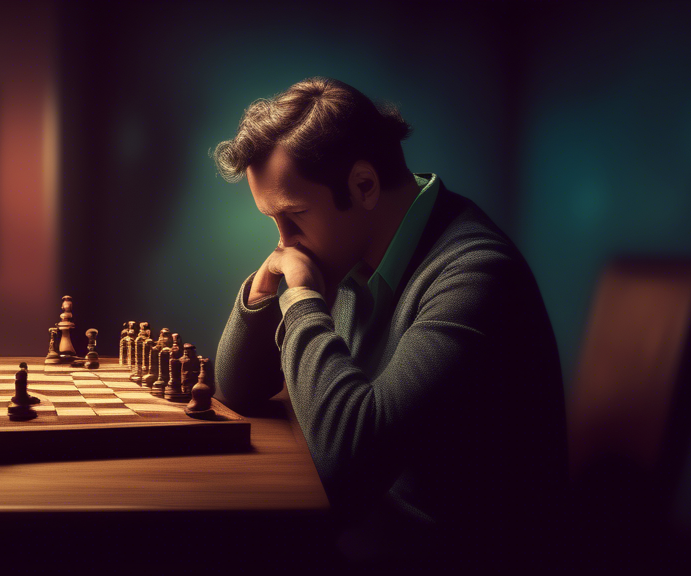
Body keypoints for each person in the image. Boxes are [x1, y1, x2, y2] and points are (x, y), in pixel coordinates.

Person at [211, 78, 568, 569]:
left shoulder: (477, 275)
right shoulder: (352, 250)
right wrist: (265, 288)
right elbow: (234, 388)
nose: (284, 243)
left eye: (293, 216)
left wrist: (301, 300)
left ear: (364, 185)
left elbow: (346, 465)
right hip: (364, 539)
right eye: (273, 221)